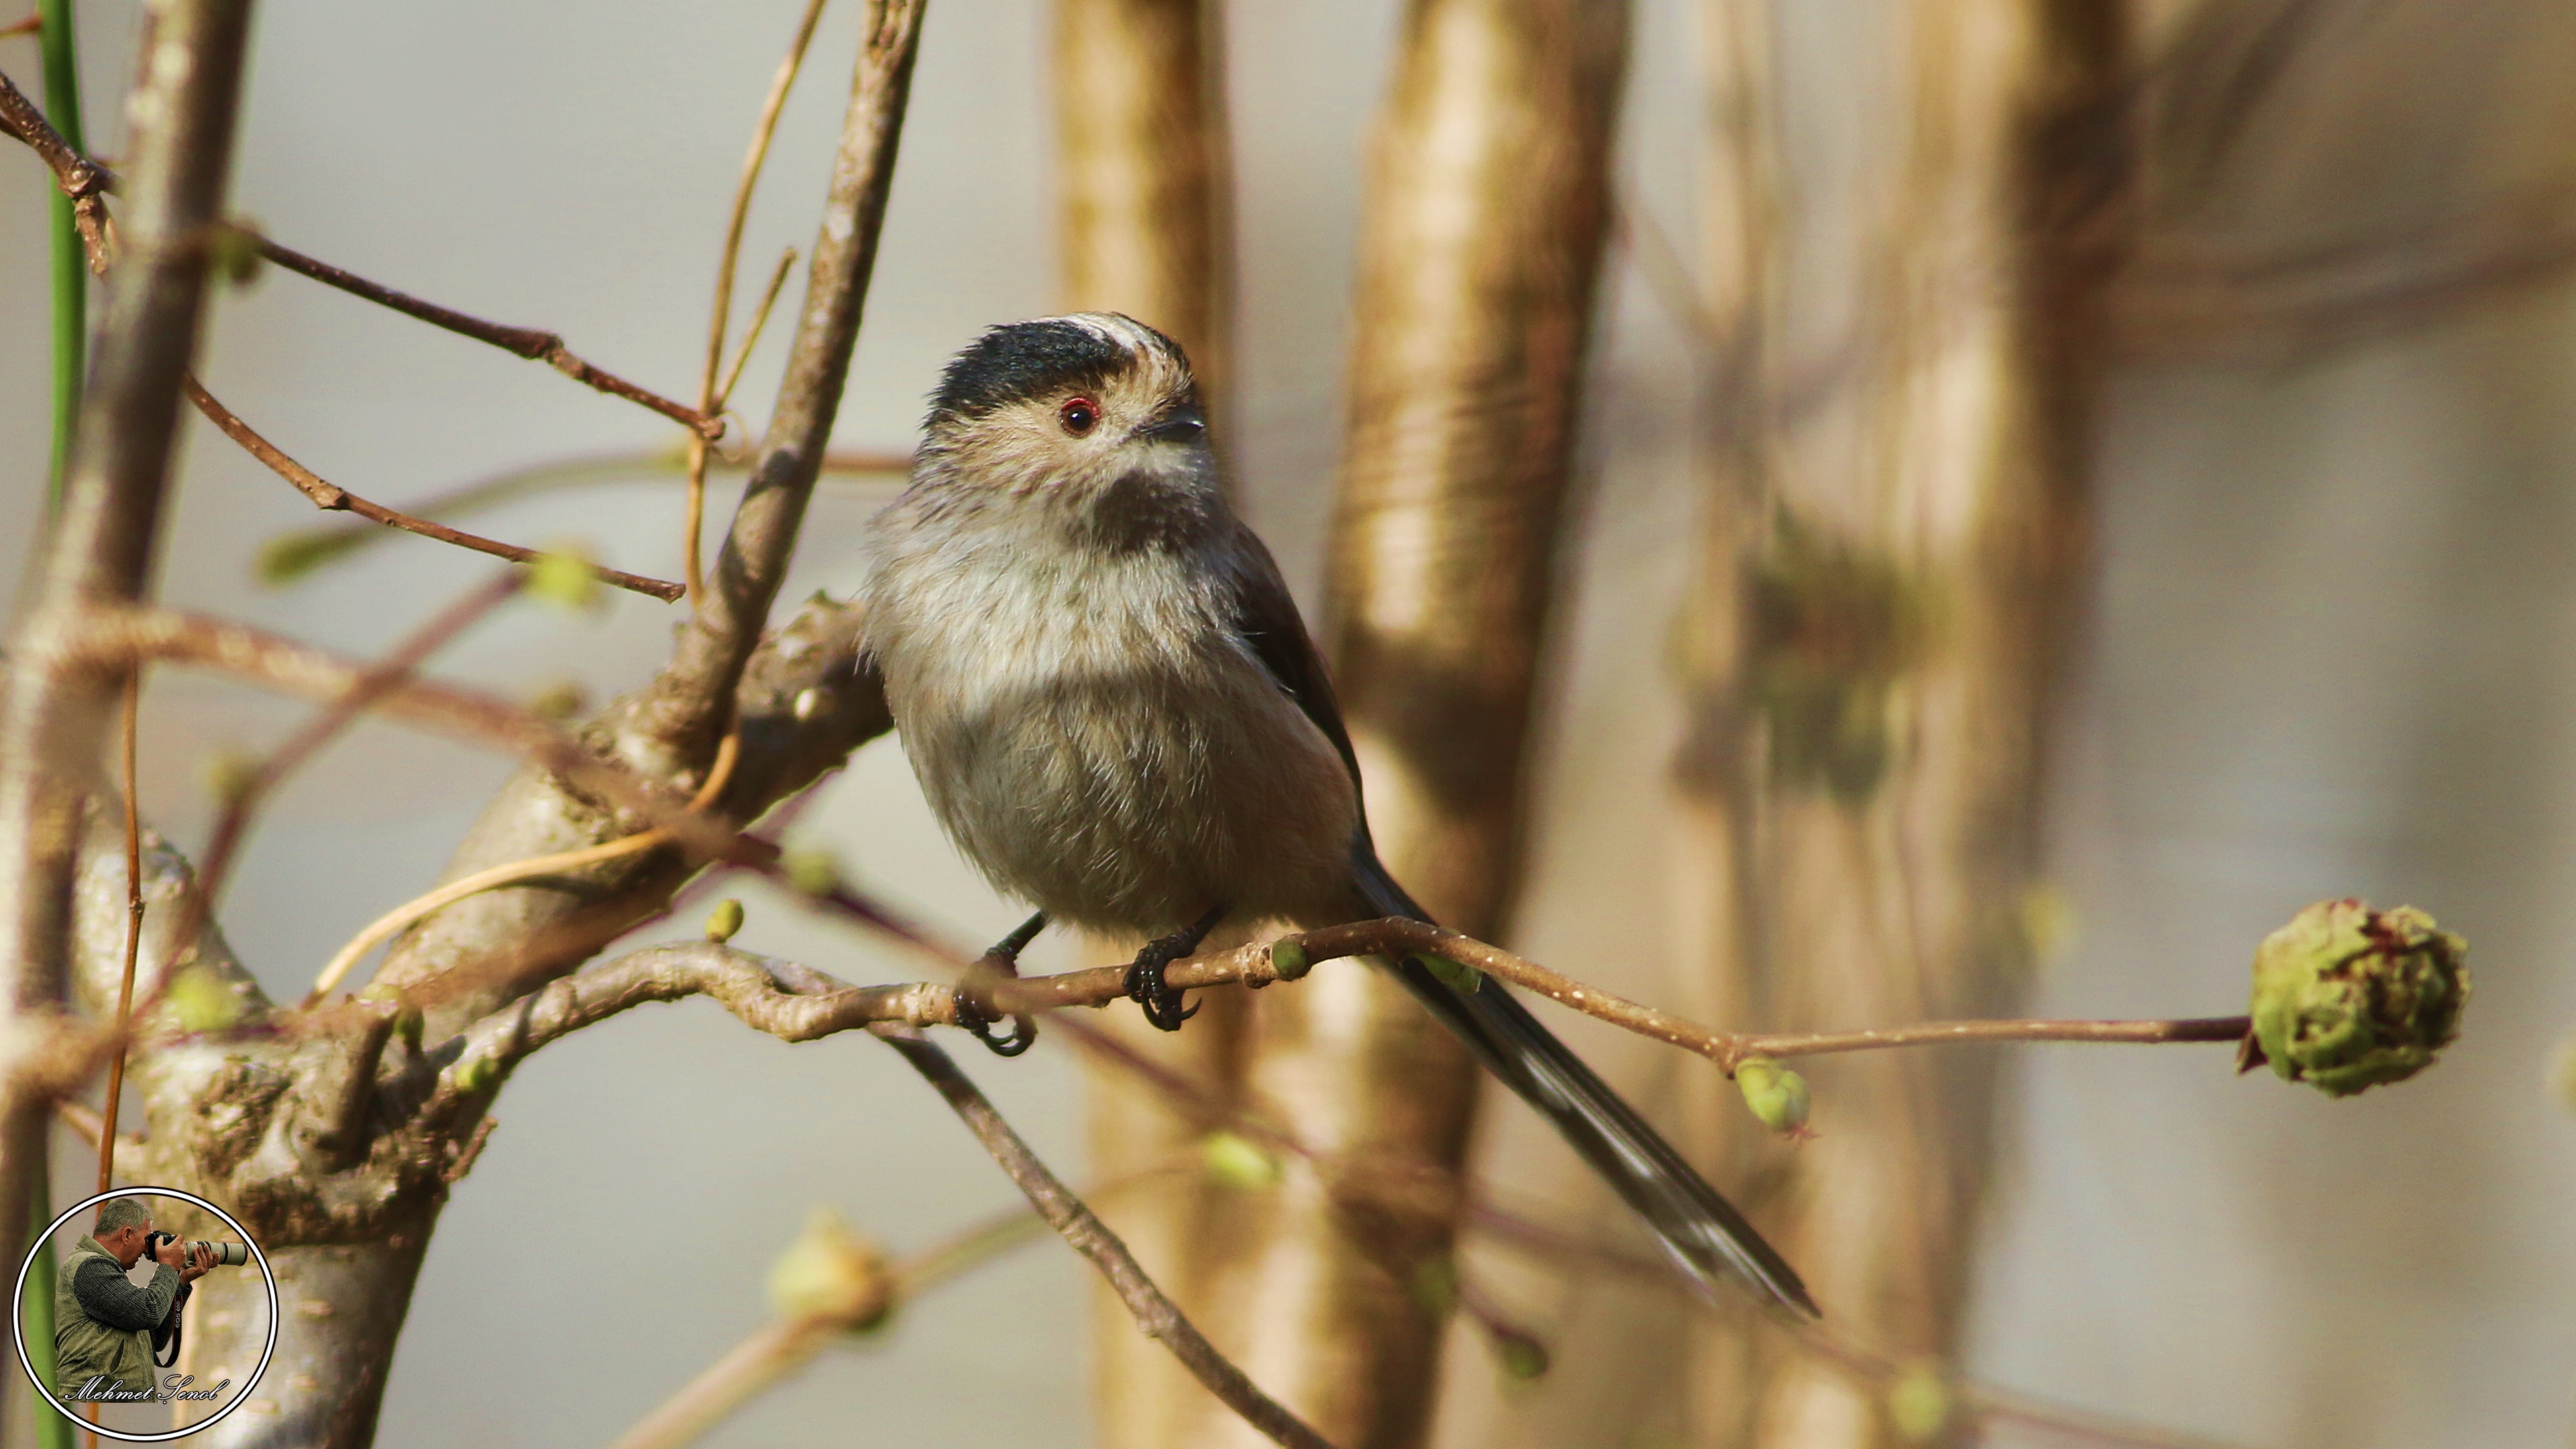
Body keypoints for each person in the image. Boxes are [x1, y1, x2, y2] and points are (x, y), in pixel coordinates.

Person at [53, 1198, 215, 1403]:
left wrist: (180, 1280)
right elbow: (151, 1312)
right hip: (100, 1404)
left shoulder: (107, 1271)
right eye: (147, 1239)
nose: (147, 1250)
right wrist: (169, 1265)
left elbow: (154, 1339)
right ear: (127, 1235)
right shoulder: (89, 1267)